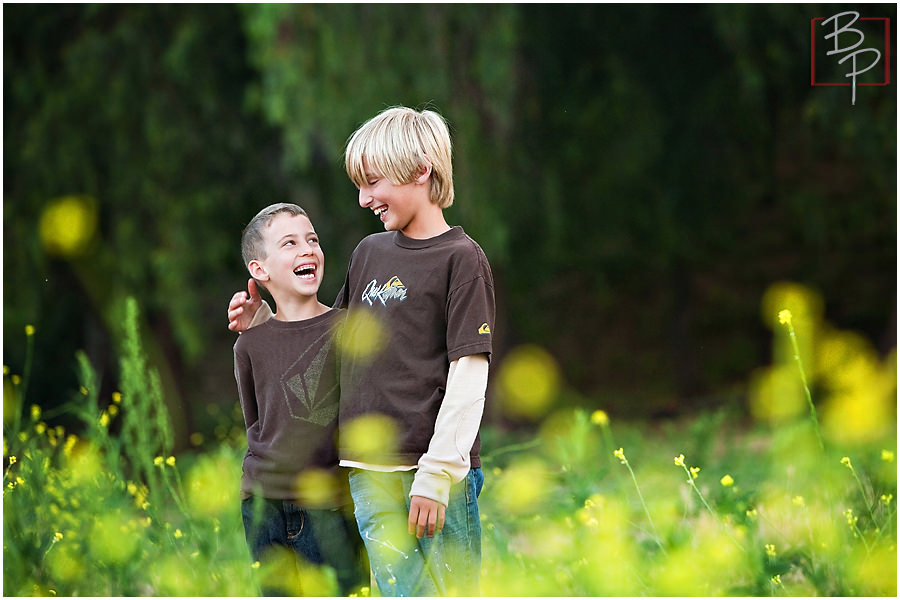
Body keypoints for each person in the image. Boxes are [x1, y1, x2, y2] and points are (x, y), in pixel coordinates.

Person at [228, 106, 495, 596]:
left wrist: (438, 474)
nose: (363, 198)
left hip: (432, 473)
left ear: (419, 171)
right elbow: (331, 339)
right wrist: (267, 323)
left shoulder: (462, 259)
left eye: (372, 182)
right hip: (367, 474)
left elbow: (469, 371)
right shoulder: (369, 253)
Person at [232, 202, 365, 596]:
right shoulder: (249, 344)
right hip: (262, 506)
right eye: (289, 243)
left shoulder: (347, 327)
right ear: (260, 270)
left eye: (312, 240)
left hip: (331, 507)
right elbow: (257, 422)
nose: (307, 249)